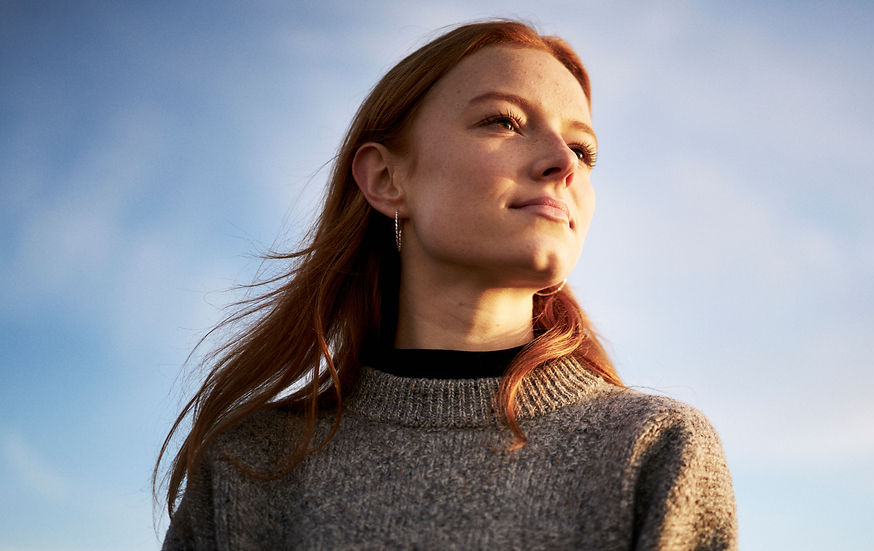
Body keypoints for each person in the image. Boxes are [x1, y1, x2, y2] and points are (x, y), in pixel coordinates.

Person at [156, 19, 737, 550]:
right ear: (386, 179)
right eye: (504, 121)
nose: (564, 162)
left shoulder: (654, 449)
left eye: (583, 150)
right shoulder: (250, 466)